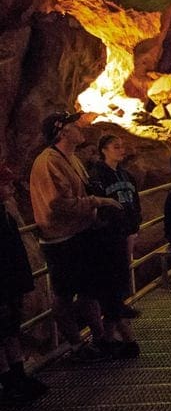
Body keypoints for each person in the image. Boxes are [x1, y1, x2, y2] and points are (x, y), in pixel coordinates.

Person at [30, 110, 122, 363]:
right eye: (73, 124)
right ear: (61, 132)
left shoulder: (70, 158)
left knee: (88, 290)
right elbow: (57, 204)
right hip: (61, 240)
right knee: (64, 293)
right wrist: (98, 201)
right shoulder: (50, 161)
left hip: (79, 234)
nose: (80, 126)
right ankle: (76, 345)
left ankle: (100, 338)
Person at [88, 135, 142, 358]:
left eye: (121, 146)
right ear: (103, 150)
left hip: (124, 235)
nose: (121, 150)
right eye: (115, 146)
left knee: (118, 282)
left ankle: (108, 339)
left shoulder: (126, 175)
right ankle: (119, 337)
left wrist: (134, 228)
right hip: (107, 238)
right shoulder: (98, 177)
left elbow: (135, 202)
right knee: (112, 286)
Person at [0, 163, 49, 403]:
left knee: (10, 331)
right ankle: (9, 381)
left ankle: (17, 376)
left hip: (11, 281)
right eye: (5, 184)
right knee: (3, 332)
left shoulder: (4, 213)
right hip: (4, 283)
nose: (10, 187)